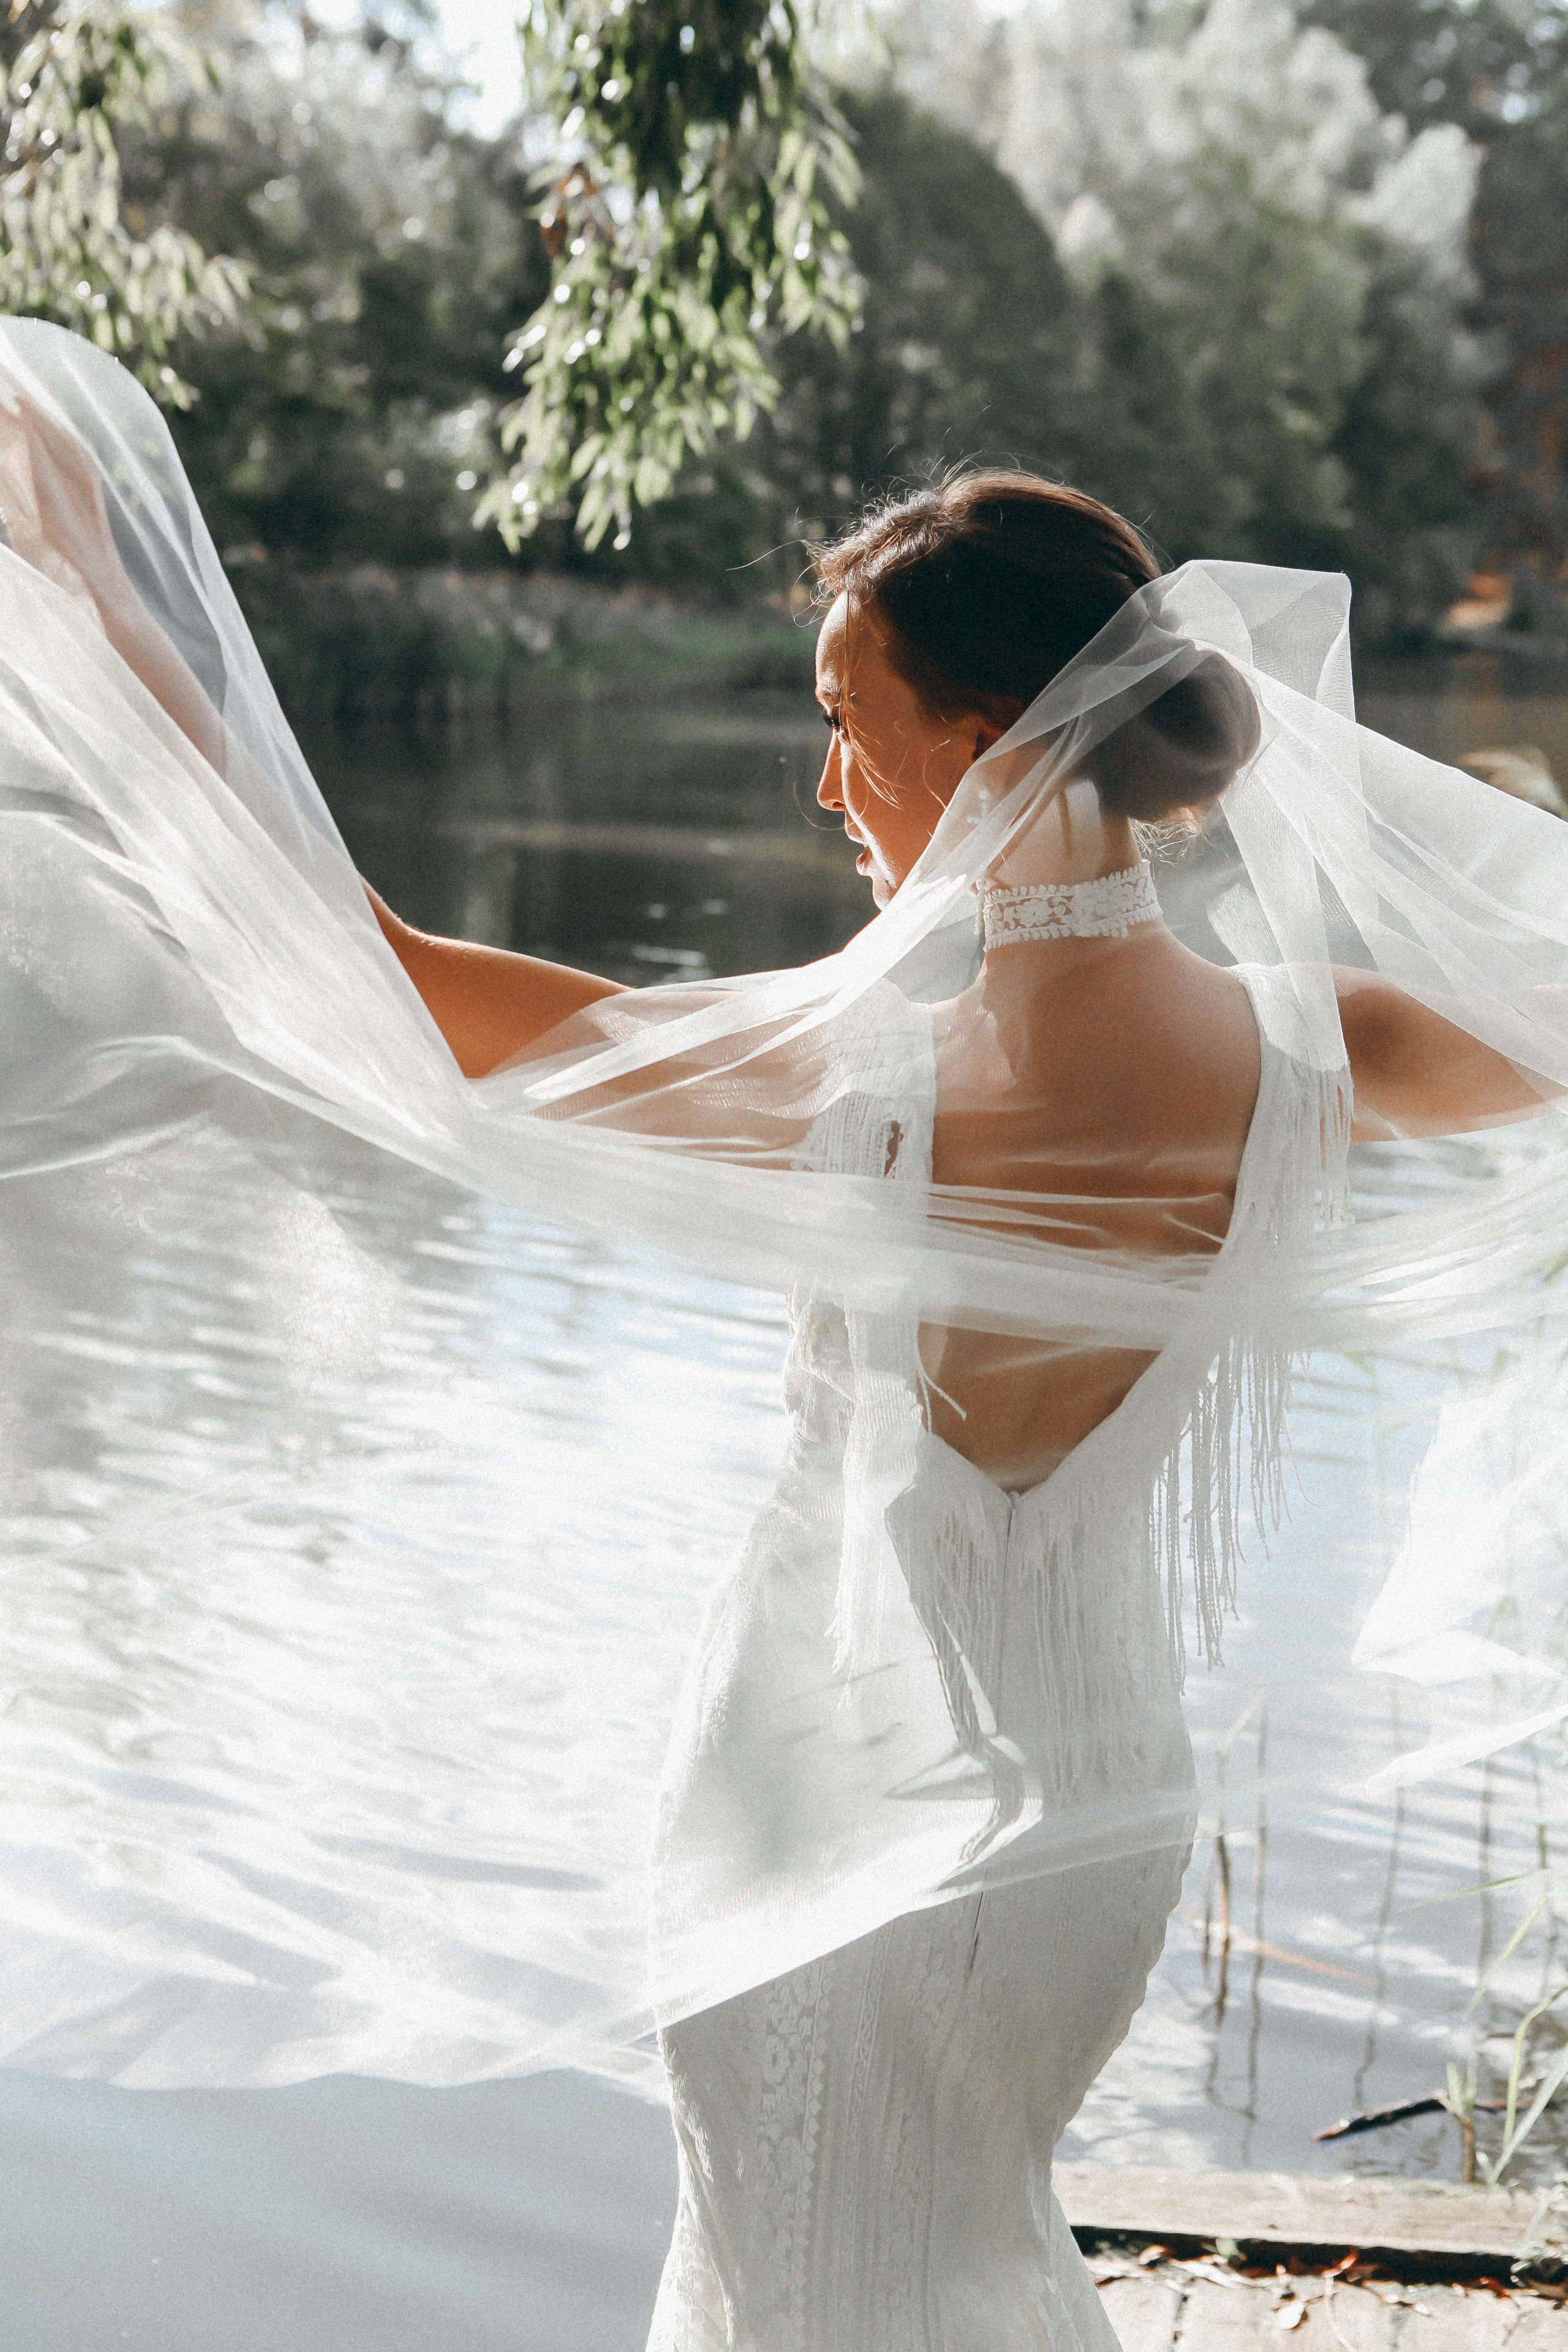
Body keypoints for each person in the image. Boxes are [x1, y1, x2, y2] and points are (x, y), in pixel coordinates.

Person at [2, 324, 1567, 2348]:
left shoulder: (864, 1070)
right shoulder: (1316, 1054)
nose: (823, 777)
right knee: (959, 2269)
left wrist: (103, 604)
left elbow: (373, 963)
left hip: (828, 1811)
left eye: (855, 722)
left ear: (994, 741)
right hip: (1094, 1831)